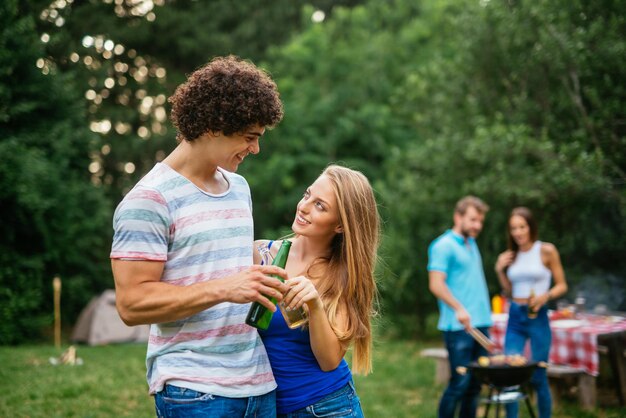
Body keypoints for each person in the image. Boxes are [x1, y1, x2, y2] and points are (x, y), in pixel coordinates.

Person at [110, 55, 290, 418]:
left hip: (259, 384)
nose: (255, 149)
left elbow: (220, 263)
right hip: (195, 392)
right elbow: (131, 304)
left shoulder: (239, 187)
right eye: (249, 137)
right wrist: (225, 288)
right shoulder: (149, 200)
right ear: (213, 126)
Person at [254, 164, 380, 418]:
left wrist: (315, 306)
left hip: (326, 406)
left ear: (340, 226)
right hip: (267, 407)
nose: (304, 206)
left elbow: (329, 360)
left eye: (320, 206)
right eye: (307, 195)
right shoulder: (262, 254)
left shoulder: (342, 276)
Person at [495, 207, 567, 418]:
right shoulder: (510, 256)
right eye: (513, 228)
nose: (517, 232)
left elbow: (562, 285)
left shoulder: (546, 250)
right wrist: (499, 270)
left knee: (538, 375)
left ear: (531, 227)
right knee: (510, 374)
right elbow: (509, 291)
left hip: (538, 315)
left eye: (522, 227)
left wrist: (545, 296)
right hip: (515, 315)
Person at [427, 196, 493, 418]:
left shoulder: (471, 243)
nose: (477, 226)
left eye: (480, 221)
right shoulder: (442, 246)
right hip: (459, 326)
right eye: (473, 219)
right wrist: (459, 308)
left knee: (474, 386)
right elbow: (436, 284)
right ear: (458, 216)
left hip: (481, 323)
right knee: (459, 384)